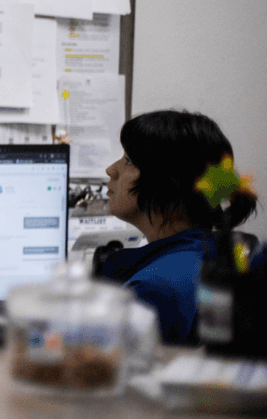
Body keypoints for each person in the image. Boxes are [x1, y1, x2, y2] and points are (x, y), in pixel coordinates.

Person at [99, 110, 257, 345]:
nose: (111, 170)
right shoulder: (207, 253)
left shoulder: (152, 289)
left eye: (129, 161)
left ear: (167, 184)